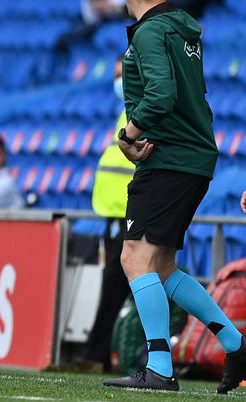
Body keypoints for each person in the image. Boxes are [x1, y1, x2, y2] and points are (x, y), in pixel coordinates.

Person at [103, 0, 246, 393]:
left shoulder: (151, 30)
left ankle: (160, 367)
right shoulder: (181, 29)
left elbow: (161, 94)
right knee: (161, 267)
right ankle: (234, 343)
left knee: (134, 259)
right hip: (190, 158)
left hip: (167, 158)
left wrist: (127, 136)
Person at [79, 58, 133, 372]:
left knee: (117, 286)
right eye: (115, 75)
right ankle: (98, 352)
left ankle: (97, 352)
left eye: (123, 75)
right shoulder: (125, 112)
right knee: (114, 286)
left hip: (131, 215)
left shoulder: (140, 112)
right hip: (116, 214)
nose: (118, 81)